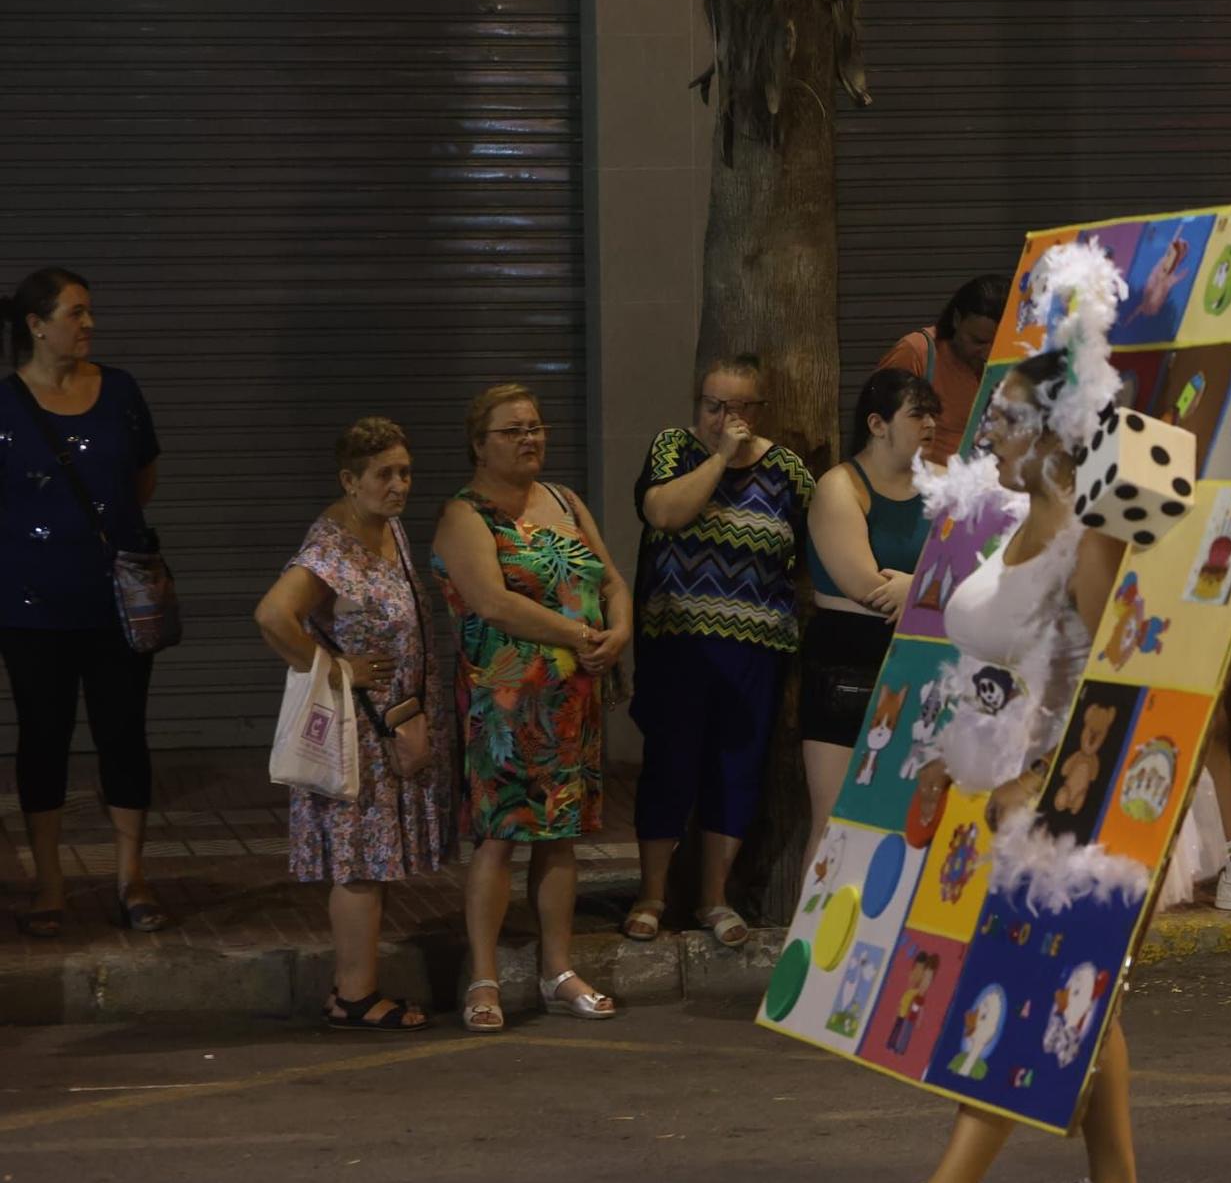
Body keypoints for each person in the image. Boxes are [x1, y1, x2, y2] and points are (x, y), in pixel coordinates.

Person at [842, 351, 1149, 1183]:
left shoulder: (1094, 531)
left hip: (1066, 796)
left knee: (1024, 981)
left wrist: (1046, 774)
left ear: (1058, 429)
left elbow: (1118, 676)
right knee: (1082, 993)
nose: (985, 432)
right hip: (997, 778)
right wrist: (947, 756)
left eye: (1006, 417)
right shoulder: (1014, 514)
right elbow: (990, 662)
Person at [433, 384, 629, 1032]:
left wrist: (618, 630)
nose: (530, 438)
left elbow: (608, 578)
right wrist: (578, 634)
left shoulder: (564, 500)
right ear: (479, 444)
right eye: (513, 430)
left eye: (536, 427)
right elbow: (492, 601)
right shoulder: (467, 514)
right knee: (498, 837)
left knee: (560, 836)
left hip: (571, 703)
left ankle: (558, 968)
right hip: (505, 705)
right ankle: (484, 976)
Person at [254, 418, 450, 1029]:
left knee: (376, 859)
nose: (399, 486)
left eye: (405, 472)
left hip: (394, 723)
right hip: (358, 732)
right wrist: (334, 667)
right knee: (360, 861)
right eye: (384, 475)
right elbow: (273, 616)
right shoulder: (330, 549)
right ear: (350, 480)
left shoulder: (387, 529)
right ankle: (355, 995)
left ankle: (357, 989)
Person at [1, 268, 169, 938]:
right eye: (75, 313)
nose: (89, 324)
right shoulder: (5, 405)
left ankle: (132, 876)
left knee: (123, 733)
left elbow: (142, 479)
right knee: (42, 737)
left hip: (118, 604)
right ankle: (49, 880)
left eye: (89, 312)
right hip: (29, 607)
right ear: (36, 325)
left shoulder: (120, 391)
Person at [625, 355, 815, 947]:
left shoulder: (789, 471)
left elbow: (812, 553)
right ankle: (653, 893)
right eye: (712, 405)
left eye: (737, 408)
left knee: (736, 770)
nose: (723, 417)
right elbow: (665, 514)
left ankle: (714, 897)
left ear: (758, 410)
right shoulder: (673, 450)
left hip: (755, 649)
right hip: (678, 644)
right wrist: (720, 459)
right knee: (669, 766)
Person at [799, 368, 940, 867]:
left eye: (933, 414)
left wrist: (915, 590)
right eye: (917, 414)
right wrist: (927, 588)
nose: (930, 424)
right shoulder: (841, 486)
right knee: (836, 815)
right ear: (878, 424)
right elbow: (867, 588)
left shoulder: (942, 484)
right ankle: (813, 942)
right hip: (847, 656)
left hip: (921, 656)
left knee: (907, 814)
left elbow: (975, 564)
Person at [877, 274, 1007, 461]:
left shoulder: (1008, 364)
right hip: (922, 484)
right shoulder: (917, 352)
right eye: (978, 341)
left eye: (997, 344)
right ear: (956, 320)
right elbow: (878, 432)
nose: (987, 353)